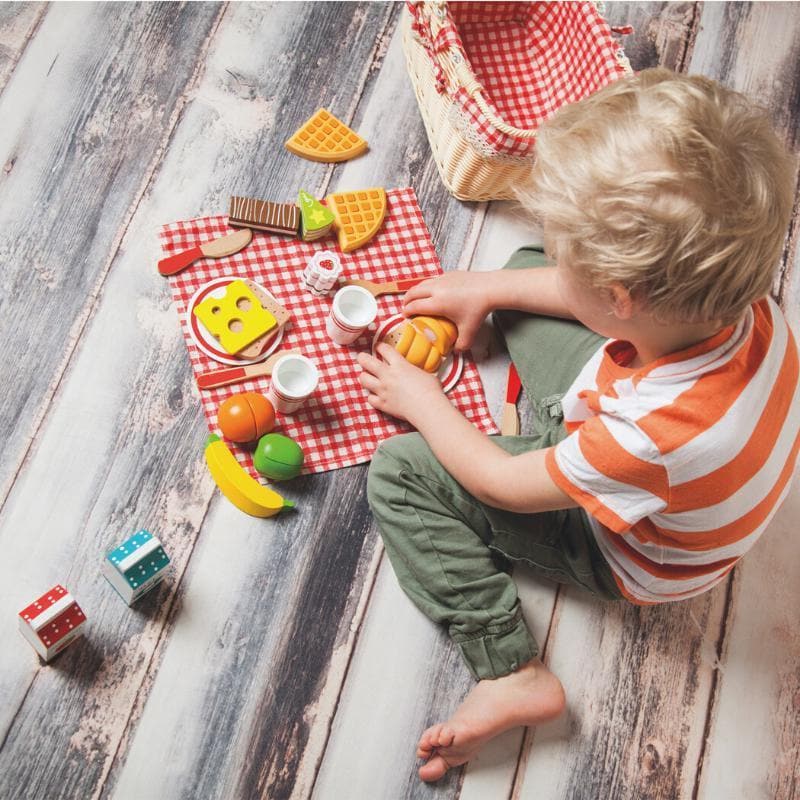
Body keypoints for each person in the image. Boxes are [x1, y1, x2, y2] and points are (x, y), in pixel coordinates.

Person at [357, 67, 799, 782]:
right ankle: (543, 324)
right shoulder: (742, 303)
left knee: (401, 472)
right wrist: (492, 287)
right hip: (642, 407)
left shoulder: (656, 435)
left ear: (623, 300)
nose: (554, 251)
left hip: (625, 547)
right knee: (522, 272)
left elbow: (498, 482)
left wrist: (421, 401)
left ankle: (511, 670)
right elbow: (577, 293)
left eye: (576, 261)